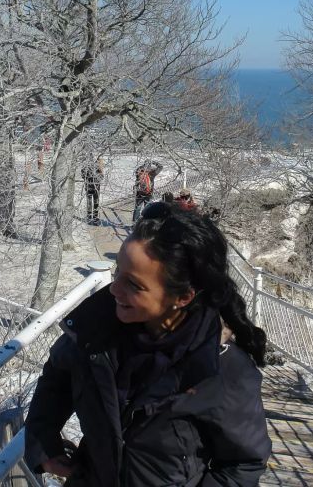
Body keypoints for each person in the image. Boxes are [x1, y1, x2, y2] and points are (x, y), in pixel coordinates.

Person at [24, 203, 271, 486]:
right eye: (118, 272)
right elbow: (57, 376)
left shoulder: (222, 370)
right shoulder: (96, 332)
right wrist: (43, 442)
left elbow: (243, 464)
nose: (114, 289)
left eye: (134, 285)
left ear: (184, 297)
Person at [81, 156, 105, 225]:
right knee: (95, 202)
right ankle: (94, 218)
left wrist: (88, 178)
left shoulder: (85, 165)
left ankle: (90, 218)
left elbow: (82, 175)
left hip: (89, 186)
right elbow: (101, 177)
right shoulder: (98, 165)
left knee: (90, 202)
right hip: (95, 186)